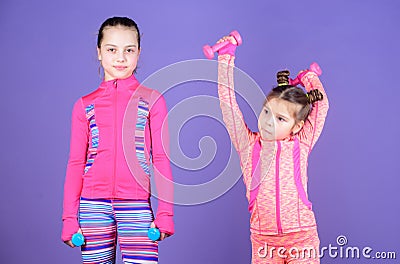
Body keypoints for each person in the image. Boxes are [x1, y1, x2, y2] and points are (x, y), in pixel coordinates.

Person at [62, 16, 174, 264]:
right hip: (93, 207)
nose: (120, 58)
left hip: (136, 205)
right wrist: (69, 218)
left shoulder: (152, 101)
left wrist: (165, 213)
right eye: (112, 49)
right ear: (99, 52)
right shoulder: (84, 105)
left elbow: (162, 159)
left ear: (138, 53)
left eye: (129, 50)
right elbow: (75, 163)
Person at [216, 35, 329, 263]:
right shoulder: (248, 144)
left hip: (302, 238)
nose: (268, 122)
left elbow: (322, 104)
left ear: (297, 126)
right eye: (266, 112)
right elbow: (228, 103)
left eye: (280, 118)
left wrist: (308, 78)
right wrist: (226, 57)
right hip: (264, 242)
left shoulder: (302, 143)